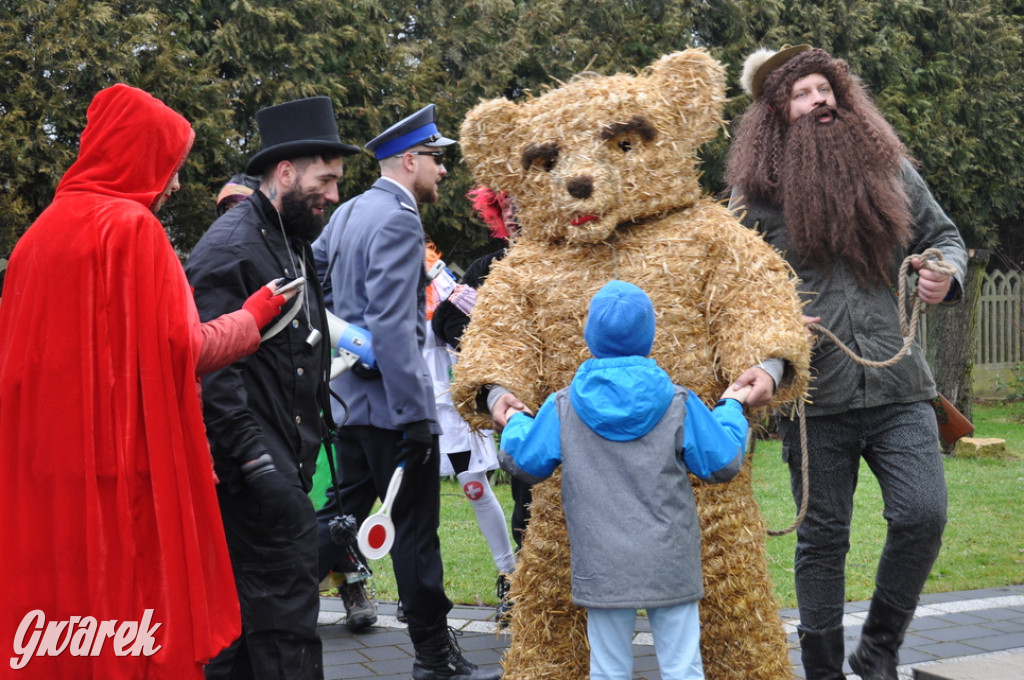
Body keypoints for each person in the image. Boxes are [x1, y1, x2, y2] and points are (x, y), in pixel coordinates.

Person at [0, 84, 292, 679]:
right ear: (136, 155)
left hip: (46, 473)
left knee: (65, 617)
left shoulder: (35, 238)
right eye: (170, 167)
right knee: (131, 624)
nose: (176, 184)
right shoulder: (130, 228)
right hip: (122, 469)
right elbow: (182, 348)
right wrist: (255, 315)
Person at [724, 45, 968, 680]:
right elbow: (729, 285)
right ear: (778, 113)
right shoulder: (752, 198)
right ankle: (825, 671)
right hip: (816, 399)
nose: (819, 101)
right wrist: (766, 324)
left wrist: (943, 270)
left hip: (901, 387)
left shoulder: (890, 172)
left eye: (825, 90)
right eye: (803, 94)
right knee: (823, 540)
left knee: (924, 515)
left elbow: (943, 237)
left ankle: (879, 649)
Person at [313, 104, 502, 680]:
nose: (444, 171)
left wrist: (348, 338)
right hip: (394, 411)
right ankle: (433, 658)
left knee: (336, 520)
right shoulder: (398, 219)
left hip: (353, 407)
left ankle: (251, 607)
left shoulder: (348, 212)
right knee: (416, 533)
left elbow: (316, 285)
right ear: (410, 160)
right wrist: (418, 416)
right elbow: (396, 326)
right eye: (438, 160)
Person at [186, 95, 360, 680]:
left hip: (284, 464)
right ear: (284, 172)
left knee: (249, 630)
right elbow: (209, 366)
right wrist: (260, 467)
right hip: (253, 479)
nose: (334, 195)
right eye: (326, 180)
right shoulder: (231, 249)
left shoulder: (288, 235)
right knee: (283, 629)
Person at [498, 280, 752, 680]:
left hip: (601, 562)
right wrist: (732, 408)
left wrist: (513, 420)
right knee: (683, 667)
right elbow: (722, 463)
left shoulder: (563, 405)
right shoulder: (677, 401)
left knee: (608, 668)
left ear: (590, 335)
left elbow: (526, 463)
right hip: (670, 558)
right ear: (649, 337)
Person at [423, 241, 515, 626]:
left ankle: (509, 575)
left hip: (448, 401)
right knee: (417, 497)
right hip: (408, 403)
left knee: (475, 488)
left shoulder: (441, 280)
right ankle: (422, 589)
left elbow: (459, 325)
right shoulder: (376, 285)